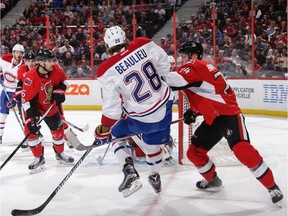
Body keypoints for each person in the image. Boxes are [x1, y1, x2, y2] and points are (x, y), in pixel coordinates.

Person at [164, 41, 284, 205]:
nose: (181, 60)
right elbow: (207, 93)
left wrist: (153, 72)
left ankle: (272, 187)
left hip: (229, 116)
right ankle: (212, 179)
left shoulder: (194, 65)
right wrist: (194, 112)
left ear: (193, 56)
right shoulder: (201, 68)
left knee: (242, 150)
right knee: (194, 152)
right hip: (213, 118)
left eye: (183, 56)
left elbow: (174, 82)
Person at [93, 26, 175, 197]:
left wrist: (104, 129)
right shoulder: (143, 43)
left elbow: (112, 110)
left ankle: (129, 170)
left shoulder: (106, 69)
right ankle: (154, 176)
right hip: (165, 108)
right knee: (153, 149)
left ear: (107, 46)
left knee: (115, 134)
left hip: (142, 119)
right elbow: (164, 65)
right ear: (125, 39)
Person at [21, 48, 74, 174]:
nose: (52, 63)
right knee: (30, 131)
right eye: (49, 61)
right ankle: (39, 158)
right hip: (35, 108)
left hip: (50, 107)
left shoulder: (56, 69)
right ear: (40, 62)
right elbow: (26, 101)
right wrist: (31, 117)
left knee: (58, 131)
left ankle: (60, 155)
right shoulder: (30, 77)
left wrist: (60, 89)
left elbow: (65, 82)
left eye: (52, 60)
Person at [0, 44, 24, 144]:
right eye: (17, 52)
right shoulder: (4, 59)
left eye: (21, 53)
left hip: (18, 92)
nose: (19, 55)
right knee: (2, 113)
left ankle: (30, 134)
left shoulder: (24, 66)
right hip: (6, 91)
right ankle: (0, 134)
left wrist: (15, 97)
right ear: (13, 52)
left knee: (24, 114)